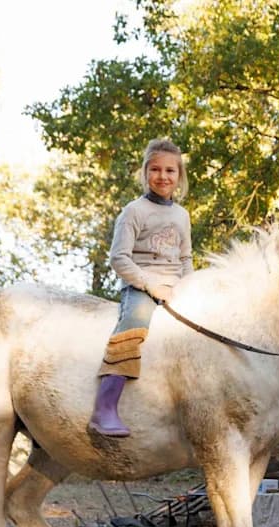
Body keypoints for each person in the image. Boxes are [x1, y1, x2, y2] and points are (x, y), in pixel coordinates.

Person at [88, 139, 194, 437]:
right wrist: (151, 285)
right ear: (145, 172)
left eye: (170, 170)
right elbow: (118, 258)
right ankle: (105, 407)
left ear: (179, 176)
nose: (163, 176)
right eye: (156, 169)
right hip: (142, 287)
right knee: (134, 325)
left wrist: (191, 287)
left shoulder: (182, 216)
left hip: (177, 287)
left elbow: (185, 258)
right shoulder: (134, 211)